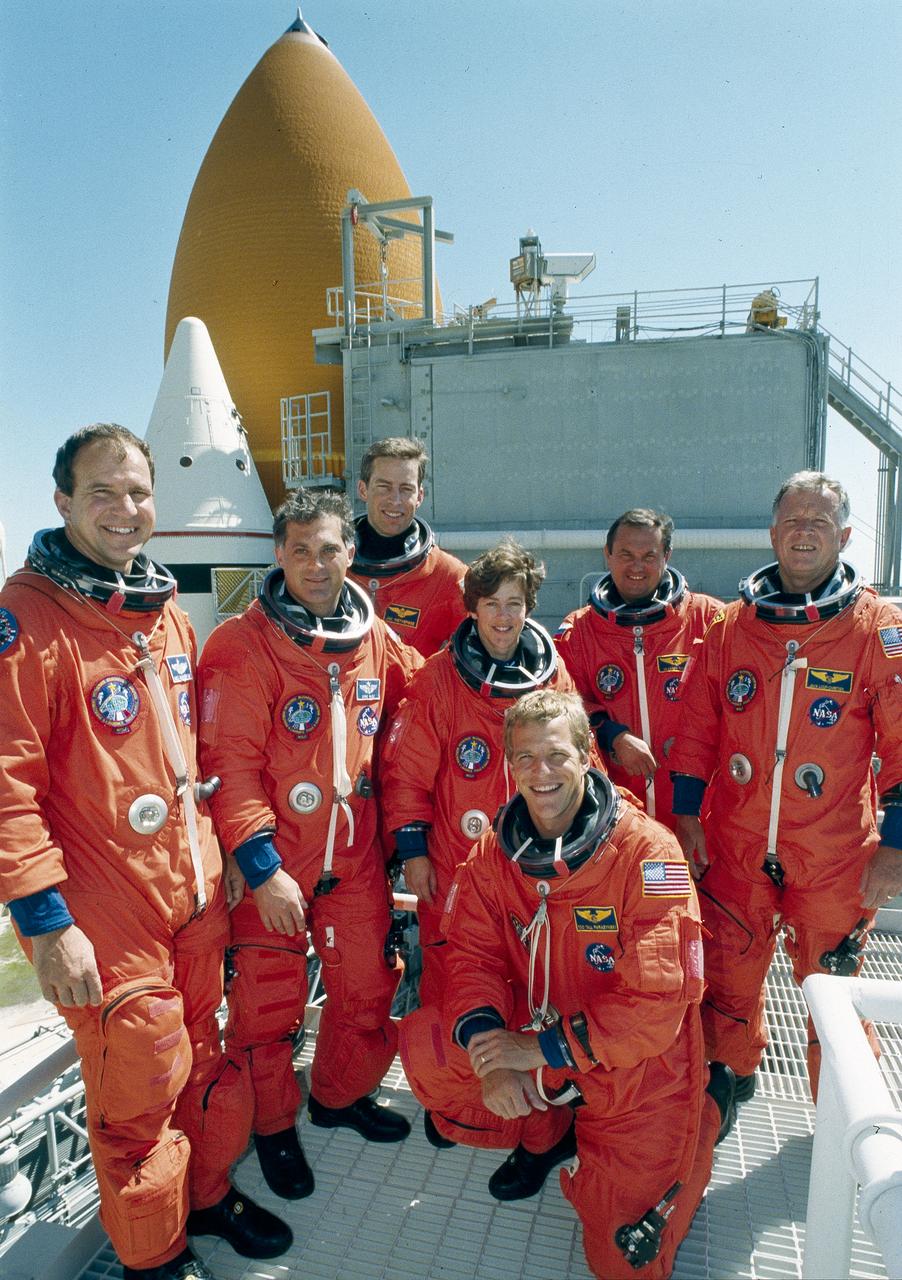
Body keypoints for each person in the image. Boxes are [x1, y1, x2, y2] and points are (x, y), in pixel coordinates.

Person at [0, 425, 290, 1280]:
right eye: (102, 492)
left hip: (189, 893)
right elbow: (6, 783)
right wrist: (47, 925)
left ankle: (207, 1195)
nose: (125, 509)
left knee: (205, 1063)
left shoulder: (162, 619)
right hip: (103, 908)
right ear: (62, 502)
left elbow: (192, 757)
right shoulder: (28, 620)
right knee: (139, 1091)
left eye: (138, 492)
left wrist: (217, 855)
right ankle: (155, 1259)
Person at [399, 690, 729, 1280]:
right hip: (545, 1038)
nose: (540, 772)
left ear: (585, 756)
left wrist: (536, 1050)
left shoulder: (649, 853)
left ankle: (703, 1115)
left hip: (639, 1069)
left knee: (622, 1262)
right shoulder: (494, 854)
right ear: (509, 765)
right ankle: (548, 1130)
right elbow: (470, 958)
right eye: (525, 758)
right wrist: (492, 1058)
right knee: (428, 1046)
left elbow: (655, 1008)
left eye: (556, 755)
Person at [197, 488, 422, 1206]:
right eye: (300, 551)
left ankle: (338, 1096)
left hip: (352, 861)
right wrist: (260, 868)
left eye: (329, 549)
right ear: (279, 556)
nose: (317, 565)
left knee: (367, 988)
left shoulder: (375, 640)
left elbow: (430, 699)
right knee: (267, 1008)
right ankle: (273, 1128)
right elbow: (228, 767)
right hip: (274, 865)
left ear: (351, 552)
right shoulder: (241, 645)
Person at [669, 471, 902, 1099]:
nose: (804, 532)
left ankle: (842, 1117)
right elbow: (696, 729)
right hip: (737, 843)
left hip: (832, 854)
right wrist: (686, 814)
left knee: (835, 995)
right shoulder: (731, 627)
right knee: (727, 978)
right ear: (773, 533)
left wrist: (897, 846)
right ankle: (730, 1082)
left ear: (844, 537)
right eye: (793, 521)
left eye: (819, 522)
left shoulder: (877, 629)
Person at [381, 538, 572, 1006]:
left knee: (535, 981)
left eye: (514, 603)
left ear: (529, 607)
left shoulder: (552, 676)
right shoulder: (437, 680)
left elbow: (581, 763)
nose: (503, 617)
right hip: (455, 862)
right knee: (456, 984)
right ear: (472, 608)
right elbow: (406, 775)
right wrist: (414, 854)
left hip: (535, 863)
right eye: (492, 604)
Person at [555, 508, 721, 831]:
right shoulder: (579, 632)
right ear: (607, 555)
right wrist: (612, 736)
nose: (637, 567)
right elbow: (562, 708)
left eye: (649, 556)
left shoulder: (709, 619)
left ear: (667, 556)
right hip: (617, 818)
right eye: (626, 555)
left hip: (700, 816)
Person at [349, 436, 467, 656]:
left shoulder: (447, 576)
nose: (395, 500)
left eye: (406, 489)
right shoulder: (333, 567)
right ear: (363, 489)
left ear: (419, 496)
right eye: (384, 487)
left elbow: (478, 653)